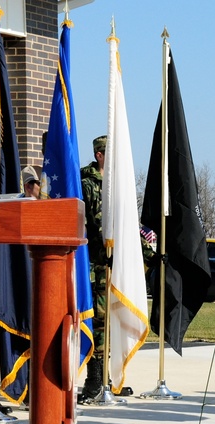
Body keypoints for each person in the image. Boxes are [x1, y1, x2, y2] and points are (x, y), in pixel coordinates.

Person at [79, 136, 132, 401]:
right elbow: (89, 224)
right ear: (100, 155)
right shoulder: (86, 184)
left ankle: (110, 377)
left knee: (112, 320)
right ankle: (94, 379)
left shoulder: (117, 186)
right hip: (95, 265)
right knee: (97, 322)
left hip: (114, 265)